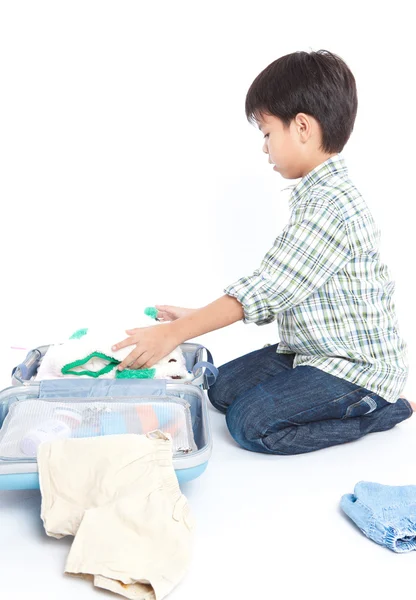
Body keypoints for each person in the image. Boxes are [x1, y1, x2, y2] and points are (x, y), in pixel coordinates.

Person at [112, 49, 414, 455]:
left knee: (248, 425)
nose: (264, 147)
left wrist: (176, 333)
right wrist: (195, 315)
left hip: (352, 368)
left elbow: (266, 290)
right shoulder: (315, 196)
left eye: (267, 133)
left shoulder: (330, 205)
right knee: (219, 390)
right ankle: (313, 393)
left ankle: (382, 411)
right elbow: (280, 287)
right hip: (309, 350)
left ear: (302, 127)